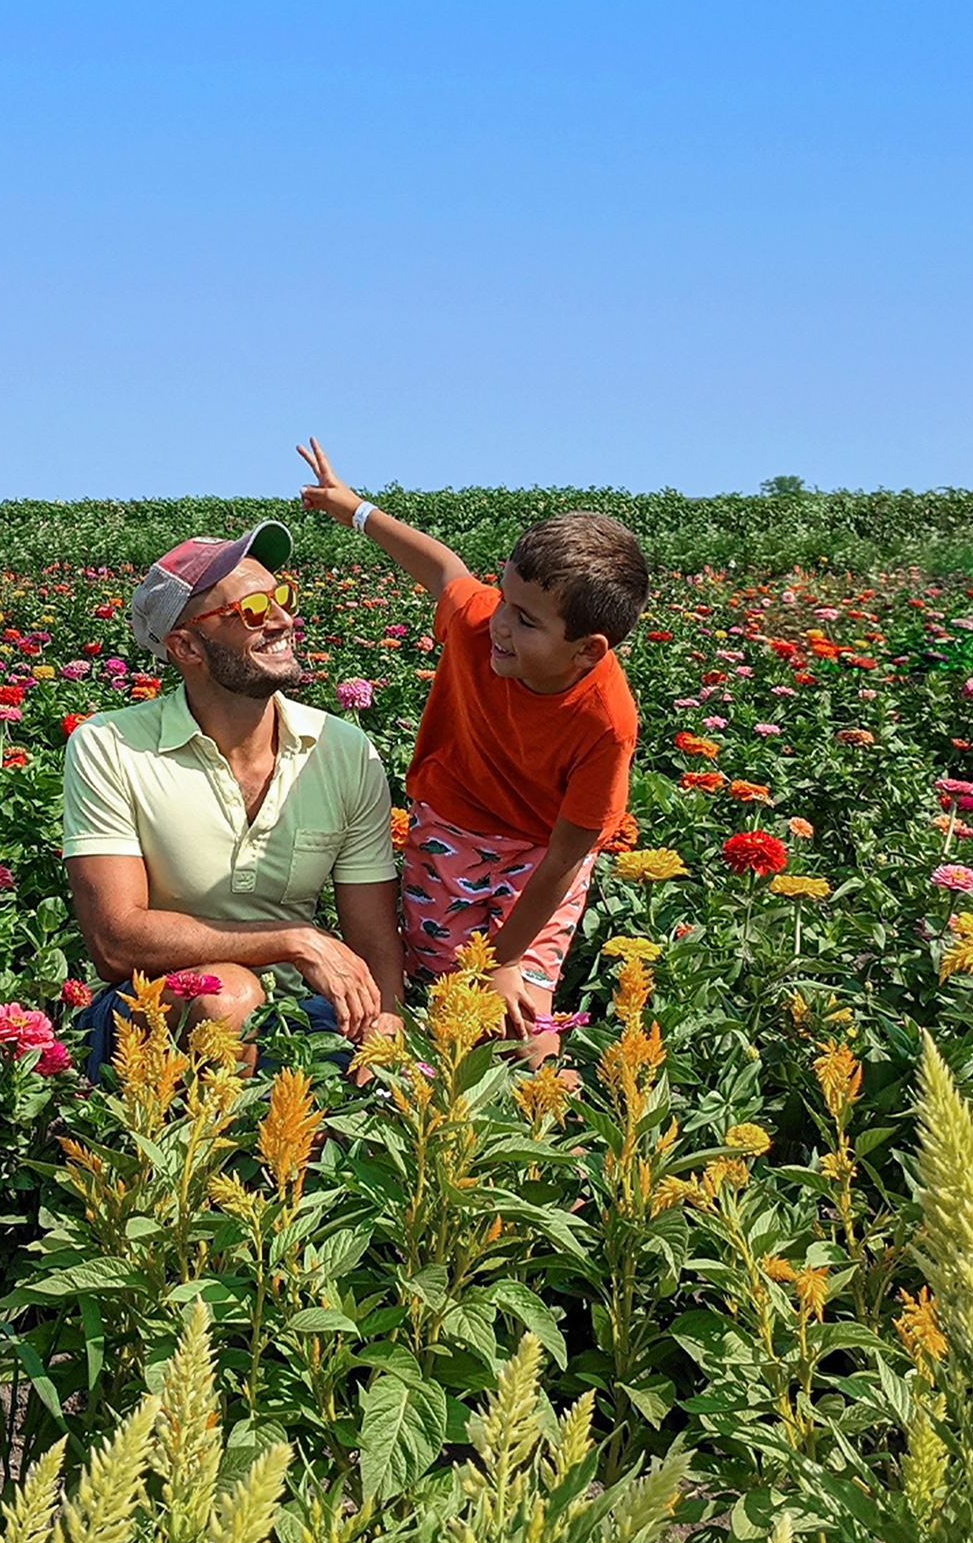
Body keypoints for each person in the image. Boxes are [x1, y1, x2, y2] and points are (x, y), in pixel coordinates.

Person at [296, 440, 646, 1055]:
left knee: (521, 1017)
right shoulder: (481, 621)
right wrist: (351, 507)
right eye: (506, 600)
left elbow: (565, 858)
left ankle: (535, 1118)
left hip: (541, 856)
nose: (503, 625)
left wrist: (506, 961)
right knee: (443, 1000)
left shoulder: (607, 722)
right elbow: (443, 570)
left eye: (528, 621)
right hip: (451, 829)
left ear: (589, 649)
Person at [62, 518, 407, 1075]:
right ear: (186, 647)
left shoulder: (342, 750)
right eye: (251, 611)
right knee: (229, 996)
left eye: (282, 597)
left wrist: (387, 1027)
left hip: (304, 1010)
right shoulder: (111, 745)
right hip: (152, 1011)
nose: (283, 619)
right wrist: (293, 940)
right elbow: (115, 943)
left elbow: (372, 934)